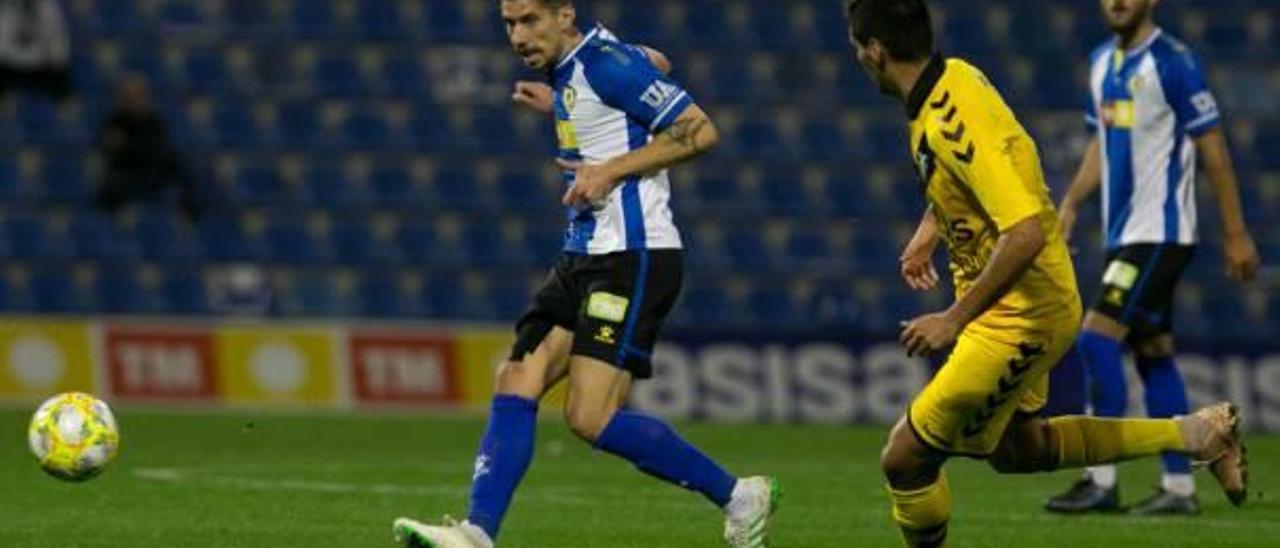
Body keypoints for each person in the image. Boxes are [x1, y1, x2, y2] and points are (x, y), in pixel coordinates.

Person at [843, 1, 1247, 546]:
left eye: (856, 49)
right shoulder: (957, 75)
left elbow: (1026, 230)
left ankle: (1149, 466)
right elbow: (997, 168)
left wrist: (952, 318)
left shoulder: (946, 120)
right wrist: (931, 229)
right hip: (1025, 298)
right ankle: (1197, 435)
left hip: (1017, 315)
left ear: (874, 51)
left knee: (905, 459)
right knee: (1018, 450)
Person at [392, 1, 778, 547]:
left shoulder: (604, 62)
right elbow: (658, 61)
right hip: (584, 251)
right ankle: (477, 534)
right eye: (509, 23)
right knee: (517, 377)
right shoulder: (581, 65)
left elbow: (699, 130)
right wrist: (562, 105)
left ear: (565, 15)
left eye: (530, 20)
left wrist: (609, 170)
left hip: (632, 254)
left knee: (590, 416)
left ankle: (740, 495)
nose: (518, 36)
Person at [1046, 0, 1261, 516]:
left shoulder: (1174, 62)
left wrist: (1235, 232)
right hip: (1125, 235)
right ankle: (1179, 490)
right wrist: (1071, 203)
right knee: (1153, 351)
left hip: (1161, 233)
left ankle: (1100, 479)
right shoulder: (1102, 62)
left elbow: (1214, 150)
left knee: (1096, 341)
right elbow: (1103, 141)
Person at [98, 73, 203, 221]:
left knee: (180, 164)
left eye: (139, 94)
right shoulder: (113, 122)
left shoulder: (154, 120)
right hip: (127, 172)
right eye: (129, 94)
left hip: (153, 172)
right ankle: (114, 224)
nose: (135, 99)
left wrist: (129, 145)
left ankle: (190, 216)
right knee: (110, 185)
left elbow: (157, 147)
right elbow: (113, 152)